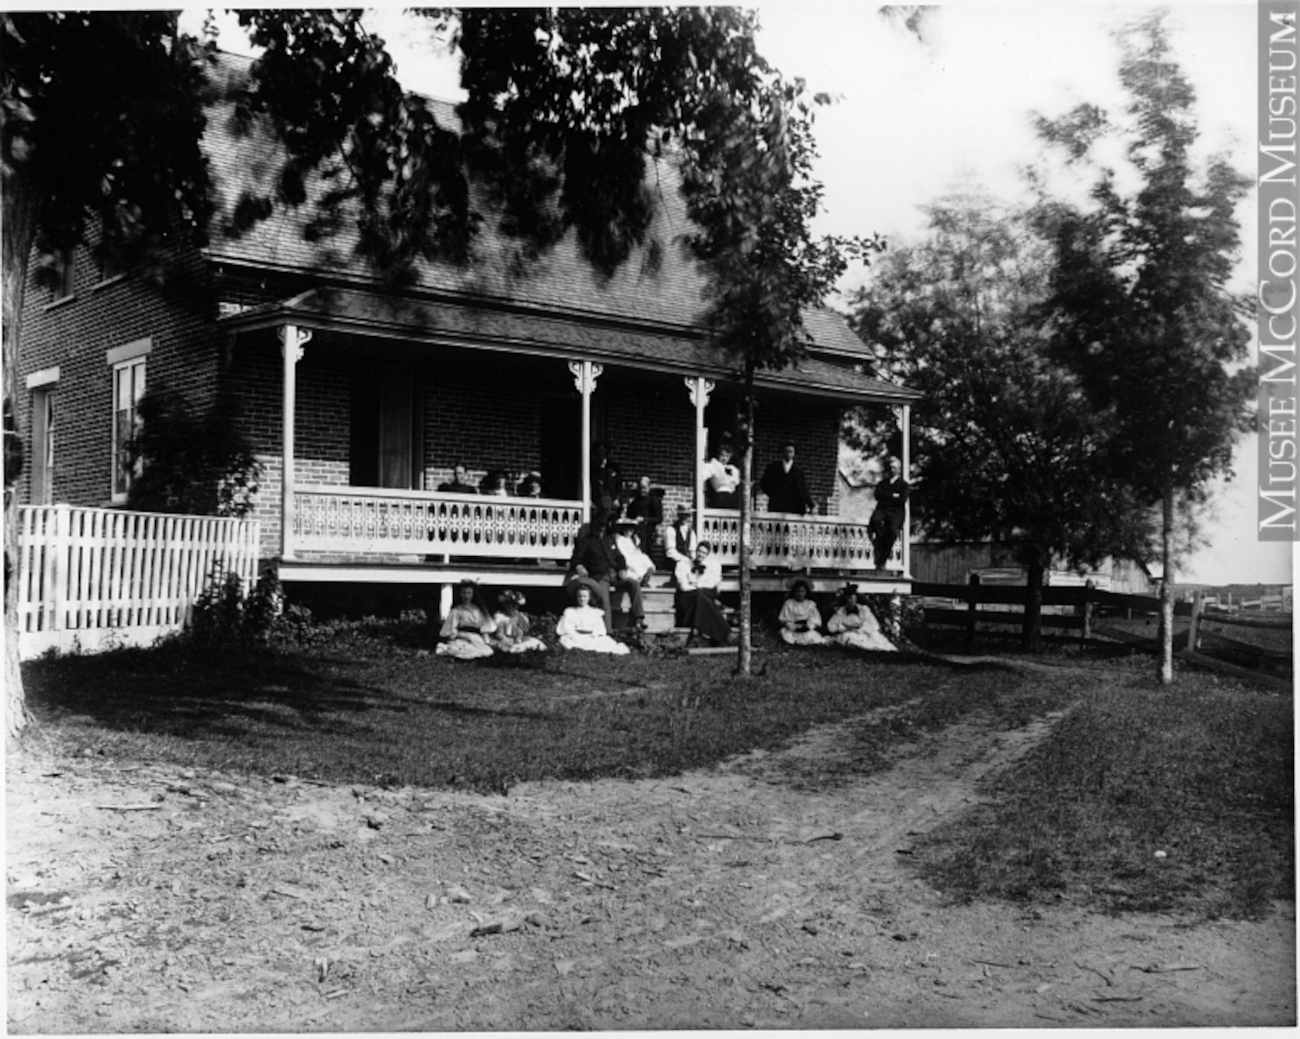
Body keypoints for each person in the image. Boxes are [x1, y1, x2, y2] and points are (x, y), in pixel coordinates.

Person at [566, 510, 646, 631]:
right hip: (600, 576)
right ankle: (608, 632)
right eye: (602, 526)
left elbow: (620, 557)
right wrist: (579, 567)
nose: (603, 529)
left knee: (634, 584)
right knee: (604, 600)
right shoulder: (587, 541)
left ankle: (638, 619)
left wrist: (622, 569)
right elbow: (575, 559)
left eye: (605, 526)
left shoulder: (610, 539)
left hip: (614, 574)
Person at [673, 541, 730, 644]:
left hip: (700, 595)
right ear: (695, 551)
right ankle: (723, 631)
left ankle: (696, 629)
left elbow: (711, 583)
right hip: (687, 596)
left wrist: (696, 585)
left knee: (700, 597)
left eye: (704, 553)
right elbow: (683, 586)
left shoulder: (710, 566)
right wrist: (696, 586)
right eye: (699, 551)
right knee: (700, 596)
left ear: (707, 555)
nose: (700, 554)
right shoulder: (684, 564)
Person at [556, 585, 630, 655]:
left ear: (589, 598)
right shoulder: (571, 611)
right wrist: (574, 635)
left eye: (585, 596)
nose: (582, 599)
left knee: (606, 642)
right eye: (580, 596)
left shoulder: (594, 612)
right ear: (577, 597)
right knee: (568, 641)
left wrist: (593, 635)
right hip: (576, 636)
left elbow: (600, 629)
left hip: (591, 636)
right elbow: (567, 627)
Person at [435, 580, 496, 658]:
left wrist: (486, 641)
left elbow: (485, 628)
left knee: (487, 651)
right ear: (460, 594)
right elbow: (451, 630)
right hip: (462, 638)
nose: (466, 596)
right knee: (461, 649)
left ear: (473, 595)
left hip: (476, 638)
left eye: (469, 593)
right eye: (464, 593)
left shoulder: (479, 610)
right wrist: (462, 635)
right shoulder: (456, 611)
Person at [826, 583, 896, 652]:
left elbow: (874, 625)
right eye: (848, 599)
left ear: (856, 598)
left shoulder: (863, 610)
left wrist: (862, 628)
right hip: (849, 633)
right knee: (850, 638)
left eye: (852, 598)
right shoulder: (841, 612)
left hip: (863, 633)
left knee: (876, 638)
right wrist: (844, 627)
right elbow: (831, 626)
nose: (850, 601)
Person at [868, 455, 909, 569]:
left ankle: (882, 560)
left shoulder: (903, 485)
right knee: (875, 521)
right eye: (890, 467)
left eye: (894, 468)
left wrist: (888, 497)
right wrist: (892, 496)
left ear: (899, 470)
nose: (892, 470)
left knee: (892, 532)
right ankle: (881, 541)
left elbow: (902, 499)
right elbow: (878, 496)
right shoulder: (883, 484)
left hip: (896, 513)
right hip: (882, 509)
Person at [759, 441, 815, 515]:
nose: (788, 454)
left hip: (794, 507)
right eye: (786, 451)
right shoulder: (774, 468)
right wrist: (774, 494)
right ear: (782, 452)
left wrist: (811, 505)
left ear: (794, 454)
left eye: (791, 452)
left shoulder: (797, 471)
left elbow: (803, 489)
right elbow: (763, 484)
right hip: (777, 506)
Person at [778, 578, 826, 645]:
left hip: (806, 629)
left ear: (806, 592)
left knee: (813, 636)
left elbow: (816, 620)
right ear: (794, 592)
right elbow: (784, 619)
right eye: (798, 591)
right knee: (786, 634)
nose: (800, 594)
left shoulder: (810, 604)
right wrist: (793, 627)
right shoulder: (789, 603)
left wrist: (808, 626)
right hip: (792, 629)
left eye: (803, 591)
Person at [624, 475, 664, 552]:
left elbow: (659, 519)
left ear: (649, 487)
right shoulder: (635, 501)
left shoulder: (654, 501)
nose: (642, 490)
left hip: (647, 532)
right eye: (640, 488)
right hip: (635, 531)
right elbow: (629, 515)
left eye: (644, 488)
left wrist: (645, 519)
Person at [613, 516, 656, 585]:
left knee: (643, 557)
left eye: (631, 529)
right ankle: (640, 578)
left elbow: (636, 549)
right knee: (633, 563)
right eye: (627, 529)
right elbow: (621, 551)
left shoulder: (633, 539)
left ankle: (647, 573)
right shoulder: (619, 539)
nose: (630, 531)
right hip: (626, 556)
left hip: (635, 555)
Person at [703, 435, 741, 508]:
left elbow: (736, 482)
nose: (724, 458)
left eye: (727, 456)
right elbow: (703, 475)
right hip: (720, 496)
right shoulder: (714, 465)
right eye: (722, 455)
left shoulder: (733, 469)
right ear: (719, 455)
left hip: (732, 497)